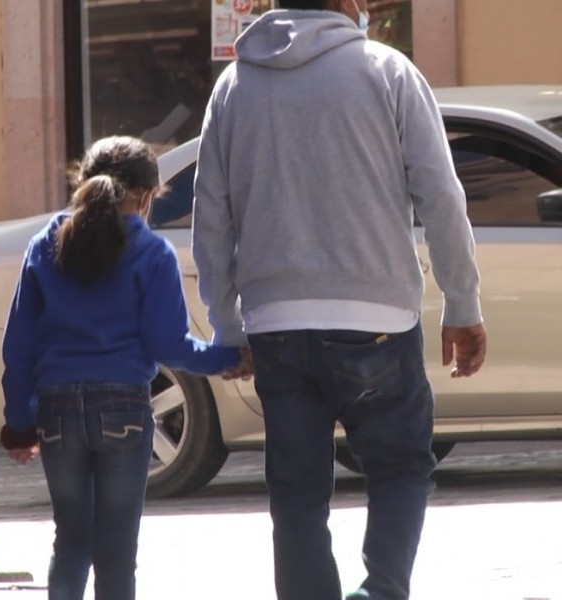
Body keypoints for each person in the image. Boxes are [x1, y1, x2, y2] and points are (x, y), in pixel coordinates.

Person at [192, 1, 488, 599]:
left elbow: (212, 218)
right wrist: (462, 303)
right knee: (401, 467)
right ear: (347, 3)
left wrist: (228, 325)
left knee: (297, 496)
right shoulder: (388, 71)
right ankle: (379, 592)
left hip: (275, 322)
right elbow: (441, 196)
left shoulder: (233, 85)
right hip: (376, 316)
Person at [0, 135, 251, 600]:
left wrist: (20, 423)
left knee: (71, 540)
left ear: (82, 182)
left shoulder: (45, 242)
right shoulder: (152, 254)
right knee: (116, 551)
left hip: (56, 410)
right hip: (122, 410)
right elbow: (168, 346)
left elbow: (19, 345)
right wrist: (230, 357)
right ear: (149, 194)